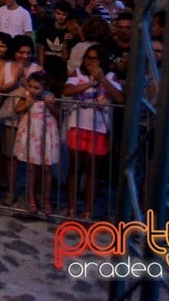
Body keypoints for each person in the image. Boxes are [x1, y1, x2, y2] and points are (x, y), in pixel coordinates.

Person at [63, 43, 122, 219]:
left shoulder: (111, 76)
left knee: (92, 171)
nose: (90, 61)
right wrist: (89, 83)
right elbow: (66, 90)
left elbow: (119, 98)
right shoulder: (78, 73)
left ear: (101, 59)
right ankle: (71, 208)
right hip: (77, 125)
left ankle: (88, 211)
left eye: (94, 58)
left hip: (99, 129)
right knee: (74, 168)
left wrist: (102, 80)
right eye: (88, 57)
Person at [0, 34, 42, 206]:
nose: (25, 56)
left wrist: (22, 78)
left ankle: (33, 195)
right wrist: (14, 80)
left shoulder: (37, 69)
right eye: (21, 52)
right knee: (10, 156)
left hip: (31, 117)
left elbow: (39, 90)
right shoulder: (7, 66)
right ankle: (10, 190)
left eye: (28, 53)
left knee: (32, 158)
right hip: (10, 115)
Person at [13, 71, 61, 214]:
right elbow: (17, 109)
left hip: (46, 132)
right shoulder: (26, 96)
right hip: (31, 131)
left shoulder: (49, 97)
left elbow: (57, 113)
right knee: (32, 168)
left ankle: (46, 199)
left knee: (47, 168)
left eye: (36, 88)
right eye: (31, 86)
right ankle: (31, 198)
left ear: (44, 88)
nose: (33, 90)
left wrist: (50, 105)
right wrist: (27, 103)